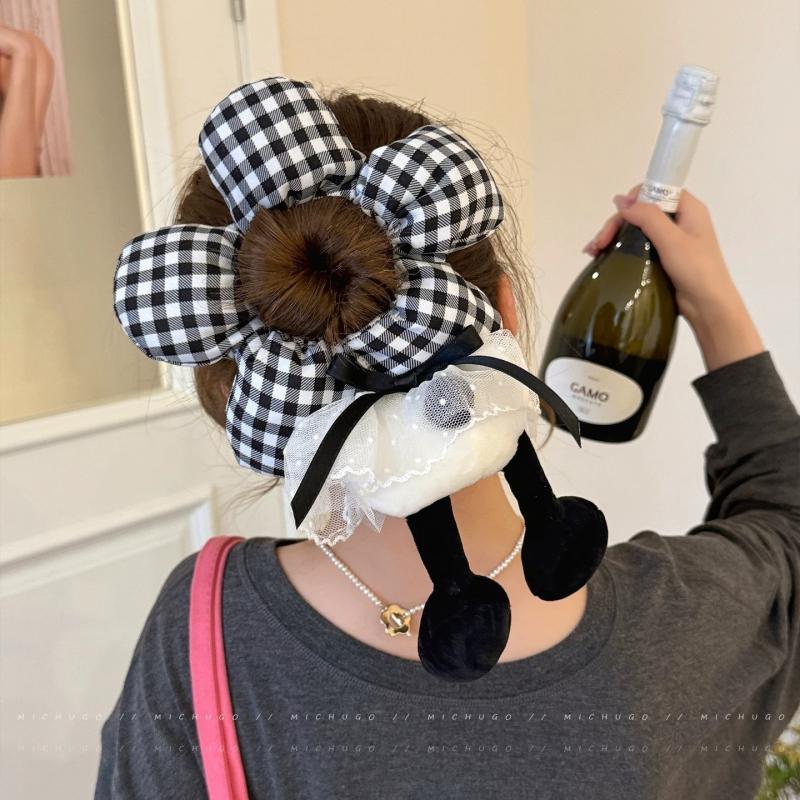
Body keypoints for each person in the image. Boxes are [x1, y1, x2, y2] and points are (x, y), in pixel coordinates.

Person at [94, 88, 800, 799]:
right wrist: (714, 303)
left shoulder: (206, 631)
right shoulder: (686, 624)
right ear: (504, 317)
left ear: (231, 388)